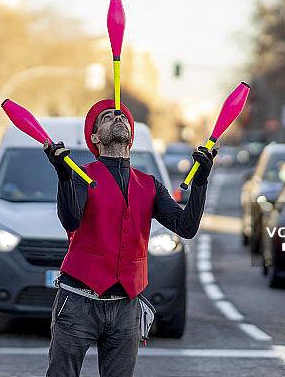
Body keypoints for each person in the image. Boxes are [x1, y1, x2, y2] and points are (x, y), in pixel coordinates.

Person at [42, 100, 216, 377]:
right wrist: (64, 176)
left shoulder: (149, 185)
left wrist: (201, 181)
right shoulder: (81, 176)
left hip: (127, 305)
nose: (117, 117)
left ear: (131, 136)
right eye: (108, 117)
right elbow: (71, 220)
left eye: (121, 116)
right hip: (77, 302)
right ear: (95, 137)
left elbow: (187, 227)